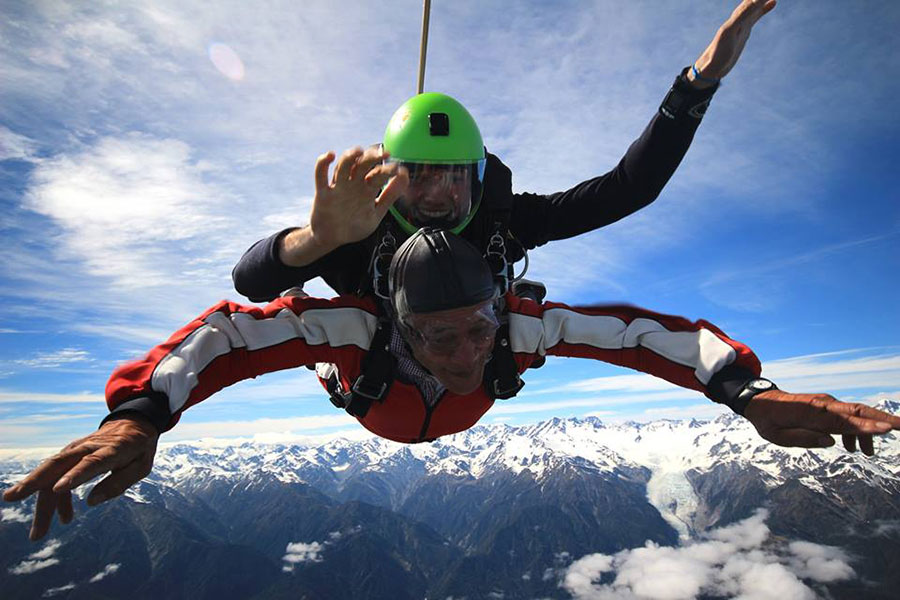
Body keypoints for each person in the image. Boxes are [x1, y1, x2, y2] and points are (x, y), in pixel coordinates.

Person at [5, 229, 899, 542]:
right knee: (313, 345)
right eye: (437, 337)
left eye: (477, 329)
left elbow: (648, 336)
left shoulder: (516, 325)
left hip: (420, 413)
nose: (468, 352)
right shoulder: (357, 330)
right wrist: (143, 413)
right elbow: (226, 334)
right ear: (400, 326)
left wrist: (749, 394)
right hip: (372, 402)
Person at [232, 0, 779, 302]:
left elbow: (628, 189)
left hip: (473, 371)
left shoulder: (504, 219)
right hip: (375, 375)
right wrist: (316, 241)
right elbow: (250, 281)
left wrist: (695, 86)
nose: (443, 196)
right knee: (300, 308)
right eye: (420, 177)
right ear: (389, 179)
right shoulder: (358, 230)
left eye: (456, 177)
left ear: (479, 174)